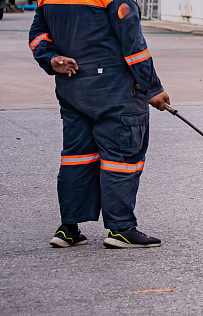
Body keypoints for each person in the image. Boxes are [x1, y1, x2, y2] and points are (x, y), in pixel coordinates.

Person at [30, 0, 170, 248]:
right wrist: (152, 88)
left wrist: (51, 59)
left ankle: (68, 229)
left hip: (72, 87)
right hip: (114, 90)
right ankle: (121, 228)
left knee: (77, 156)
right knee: (122, 157)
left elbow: (38, 33)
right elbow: (133, 44)